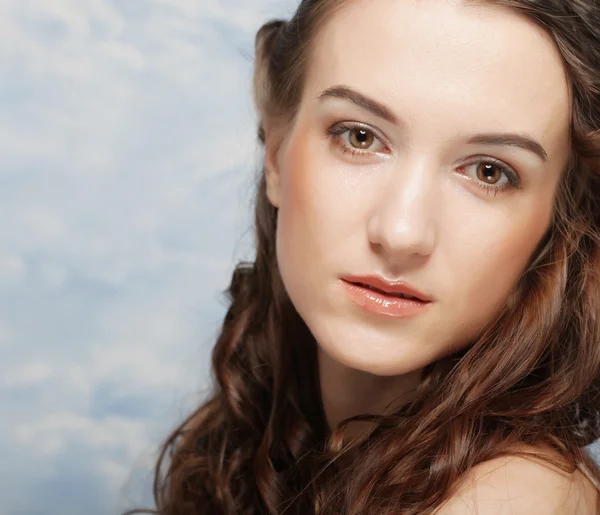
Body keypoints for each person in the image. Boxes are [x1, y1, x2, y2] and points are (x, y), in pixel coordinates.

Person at [125, 0, 600, 513]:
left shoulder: (506, 499)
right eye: (361, 137)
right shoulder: (253, 435)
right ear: (277, 151)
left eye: (488, 171)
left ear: (557, 220)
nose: (401, 232)